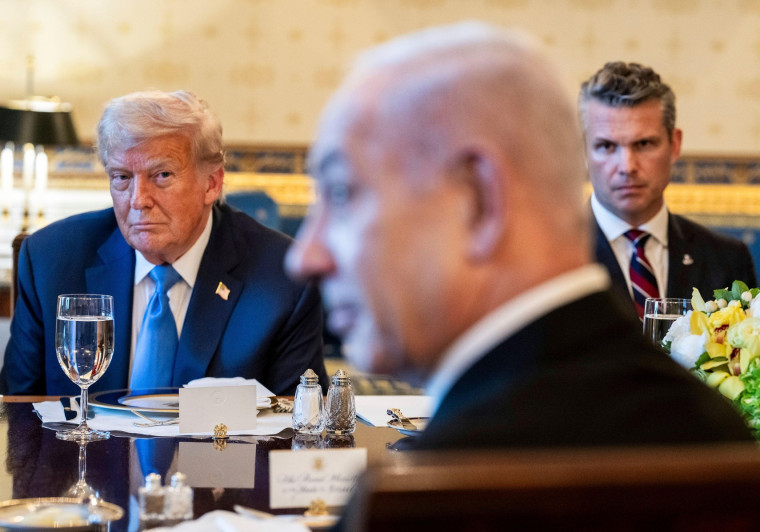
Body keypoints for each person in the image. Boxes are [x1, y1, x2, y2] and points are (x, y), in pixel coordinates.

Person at [285, 22, 754, 450]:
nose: (304, 256)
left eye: (343, 193)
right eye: (606, 146)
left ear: (480, 201)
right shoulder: (714, 434)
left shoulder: (446, 482)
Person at [0, 90, 327, 396]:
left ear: (212, 184)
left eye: (162, 175)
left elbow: (301, 426)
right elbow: (14, 412)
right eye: (122, 177)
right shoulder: (51, 260)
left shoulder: (284, 276)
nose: (138, 200)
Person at [580, 62, 757, 319]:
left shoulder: (727, 259)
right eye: (606, 146)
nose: (627, 166)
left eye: (644, 143)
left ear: (674, 144)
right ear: (584, 150)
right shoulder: (546, 258)